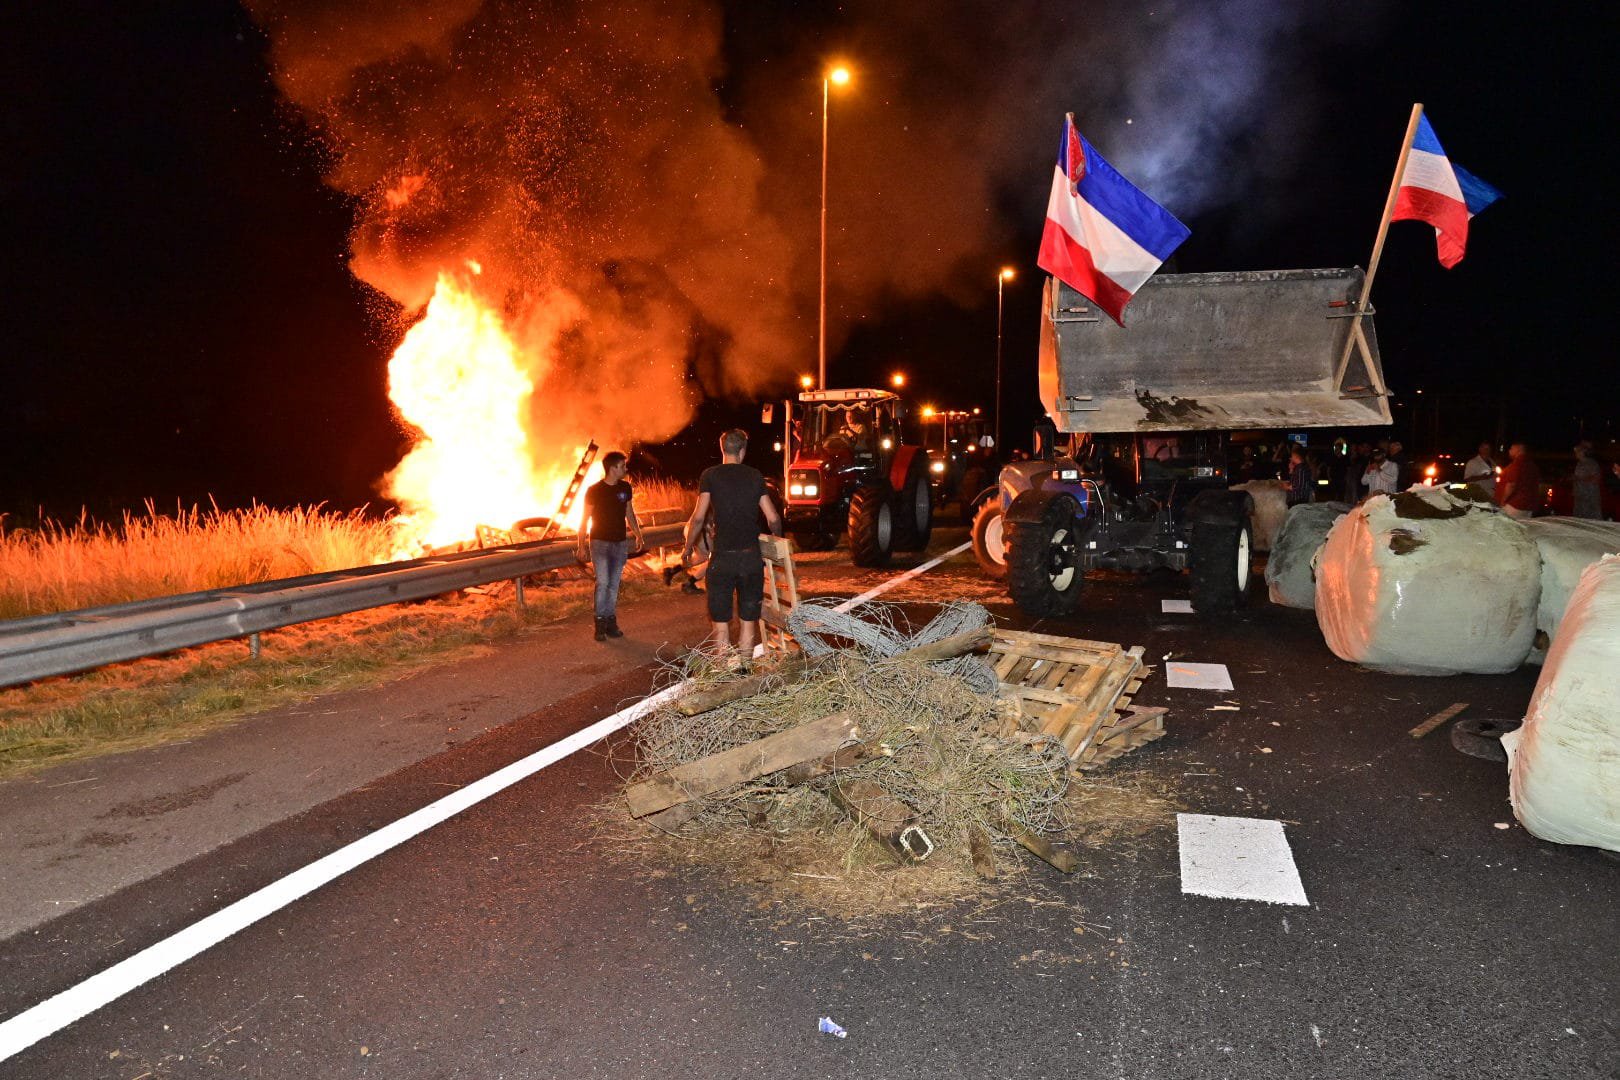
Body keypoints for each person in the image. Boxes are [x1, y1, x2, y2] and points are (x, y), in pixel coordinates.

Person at [681, 429, 784, 669]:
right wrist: (777, 539)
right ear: (743, 450)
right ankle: (744, 671)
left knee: (720, 622)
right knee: (748, 619)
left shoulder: (710, 476)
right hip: (750, 559)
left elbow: (697, 519)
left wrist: (688, 547)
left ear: (722, 448)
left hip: (722, 560)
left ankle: (722, 674)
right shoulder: (755, 476)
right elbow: (773, 517)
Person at [576, 451, 644, 642]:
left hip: (620, 543)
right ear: (613, 468)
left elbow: (630, 513)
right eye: (623, 466)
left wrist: (638, 535)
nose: (625, 469)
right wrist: (581, 545)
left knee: (614, 584)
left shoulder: (625, 487)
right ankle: (599, 623)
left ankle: (610, 621)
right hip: (599, 542)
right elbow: (584, 518)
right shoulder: (594, 490)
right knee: (603, 582)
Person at [1494, 442, 1542, 519]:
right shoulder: (1532, 466)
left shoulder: (1517, 464)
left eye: (1511, 449)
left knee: (1508, 528)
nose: (1509, 451)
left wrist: (1502, 501)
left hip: (1514, 506)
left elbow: (1511, 485)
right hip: (1528, 507)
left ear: (1518, 450)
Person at [1572, 440, 1602, 519]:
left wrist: (1580, 479)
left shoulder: (1592, 464)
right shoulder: (1579, 464)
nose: (1576, 454)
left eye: (1578, 451)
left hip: (1590, 498)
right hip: (1580, 499)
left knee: (1591, 521)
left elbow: (1596, 479)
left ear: (1583, 452)